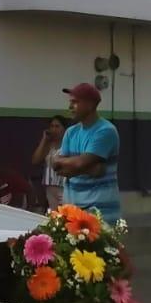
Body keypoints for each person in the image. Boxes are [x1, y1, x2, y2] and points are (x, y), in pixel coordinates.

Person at [52, 82, 122, 223]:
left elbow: (80, 163)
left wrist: (76, 165)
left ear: (90, 105)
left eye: (75, 102)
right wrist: (88, 168)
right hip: (72, 212)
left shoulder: (105, 131)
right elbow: (56, 165)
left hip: (100, 214)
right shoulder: (71, 132)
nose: (70, 107)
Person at [32, 115, 69, 210]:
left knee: (65, 213)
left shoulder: (69, 145)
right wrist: (44, 139)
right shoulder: (48, 146)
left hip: (64, 187)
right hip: (50, 187)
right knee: (54, 215)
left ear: (64, 129)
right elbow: (35, 160)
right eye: (52, 126)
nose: (54, 129)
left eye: (57, 126)